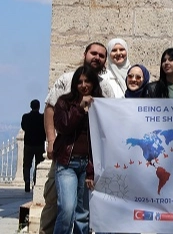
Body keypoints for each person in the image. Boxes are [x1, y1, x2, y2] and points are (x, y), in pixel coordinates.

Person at [41, 42, 115, 234]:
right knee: (61, 206)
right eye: (93, 53)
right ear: (85, 54)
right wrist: (51, 141)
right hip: (65, 158)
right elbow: (51, 110)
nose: (96, 57)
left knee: (83, 214)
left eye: (101, 55)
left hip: (89, 163)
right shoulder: (65, 84)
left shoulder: (105, 88)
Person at [53, 66, 103, 234]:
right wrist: (80, 108)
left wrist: (91, 171)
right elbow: (63, 126)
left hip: (87, 164)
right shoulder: (64, 102)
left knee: (83, 215)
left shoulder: (100, 104)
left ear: (93, 83)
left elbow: (102, 139)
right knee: (67, 209)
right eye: (79, 82)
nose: (83, 85)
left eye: (87, 81)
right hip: (67, 163)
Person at [21, 99, 46, 192]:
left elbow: (23, 127)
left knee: (27, 165)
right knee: (38, 164)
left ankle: (27, 180)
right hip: (39, 144)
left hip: (28, 144)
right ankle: (35, 182)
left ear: (31, 106)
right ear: (39, 107)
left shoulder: (26, 117)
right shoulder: (42, 117)